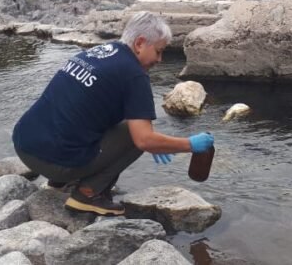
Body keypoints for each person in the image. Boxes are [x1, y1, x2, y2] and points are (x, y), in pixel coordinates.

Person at [12, 11, 214, 216]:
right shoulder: (134, 75)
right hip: (51, 161)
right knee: (133, 138)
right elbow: (144, 140)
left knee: (95, 115)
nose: (160, 59)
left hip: (24, 143)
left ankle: (60, 182)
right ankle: (86, 194)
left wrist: (158, 142)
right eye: (159, 52)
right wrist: (190, 145)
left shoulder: (99, 52)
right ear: (140, 43)